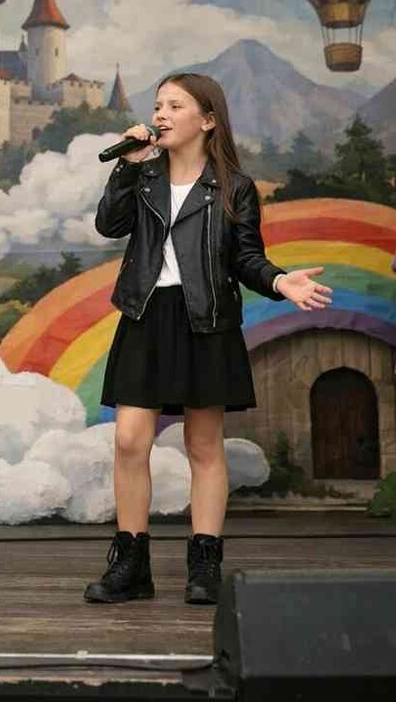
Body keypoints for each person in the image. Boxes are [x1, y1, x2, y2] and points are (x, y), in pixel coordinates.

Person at [85, 73, 331, 606]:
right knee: (129, 440)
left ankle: (204, 564)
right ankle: (131, 565)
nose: (162, 114)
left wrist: (279, 281)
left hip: (206, 318)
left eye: (176, 106)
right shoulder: (144, 175)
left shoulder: (233, 186)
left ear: (208, 120)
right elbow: (109, 225)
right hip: (146, 315)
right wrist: (127, 168)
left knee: (202, 444)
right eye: (158, 105)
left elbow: (246, 257)